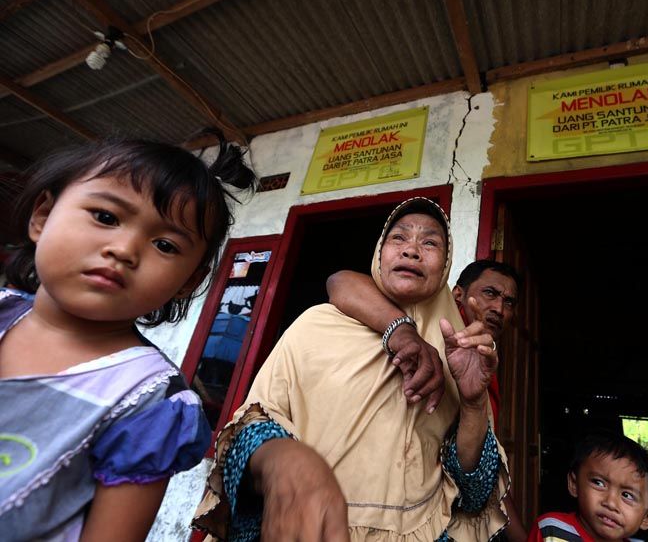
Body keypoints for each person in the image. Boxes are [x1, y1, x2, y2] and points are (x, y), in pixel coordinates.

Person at [193, 198, 510, 541]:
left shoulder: (457, 351)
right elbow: (247, 430)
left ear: (446, 265)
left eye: (430, 242)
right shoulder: (315, 325)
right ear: (379, 253)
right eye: (399, 238)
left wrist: (474, 402)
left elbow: (474, 494)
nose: (412, 251)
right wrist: (283, 465)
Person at [0, 135, 256, 540]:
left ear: (189, 281)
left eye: (165, 244)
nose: (123, 249)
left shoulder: (150, 401)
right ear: (43, 217)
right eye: (105, 217)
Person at [326, 259, 528, 541]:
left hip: (430, 515)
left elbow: (477, 471)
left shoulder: (484, 362)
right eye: (490, 294)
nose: (499, 309)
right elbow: (340, 280)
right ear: (456, 293)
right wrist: (403, 332)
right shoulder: (426, 307)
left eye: (509, 302)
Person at [528, 432, 648, 542]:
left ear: (647, 517)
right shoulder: (553, 530)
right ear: (574, 484)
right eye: (598, 483)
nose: (610, 503)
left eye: (627, 495)